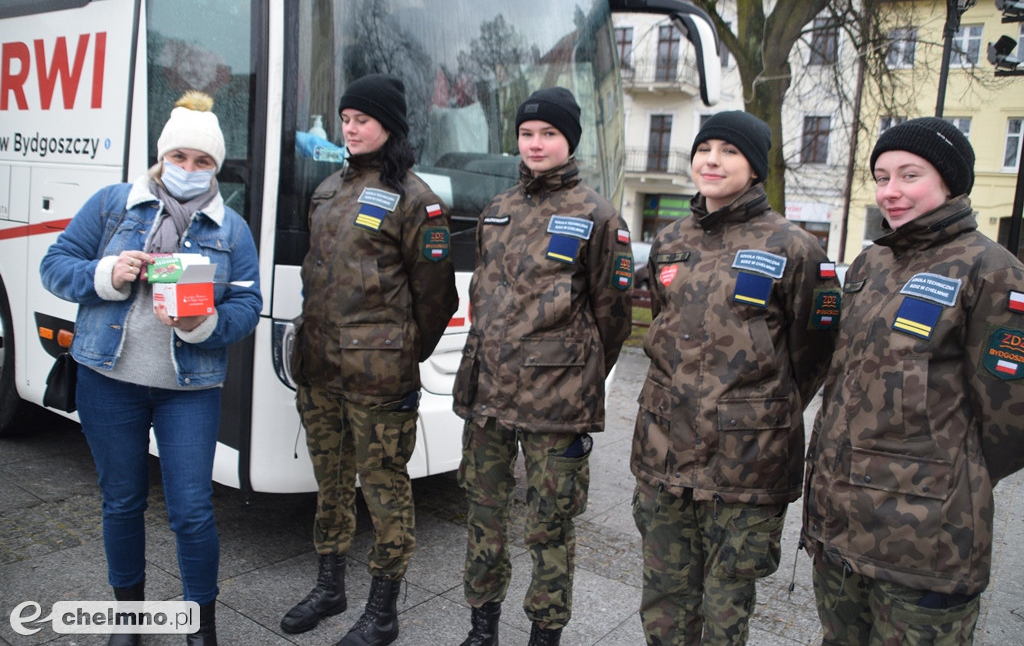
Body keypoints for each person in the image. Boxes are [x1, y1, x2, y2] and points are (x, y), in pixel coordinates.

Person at [39, 91, 263, 646]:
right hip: (107, 380)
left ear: (217, 166)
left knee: (191, 510)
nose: (189, 170)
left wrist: (203, 324)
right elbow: (55, 266)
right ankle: (129, 622)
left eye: (203, 161)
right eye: (180, 158)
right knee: (122, 502)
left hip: (188, 389)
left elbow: (248, 304)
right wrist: (109, 272)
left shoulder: (230, 228)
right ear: (163, 157)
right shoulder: (115, 204)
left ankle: (200, 624)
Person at [802, 117, 1024, 644]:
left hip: (926, 543)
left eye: (909, 175)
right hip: (841, 528)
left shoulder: (992, 272)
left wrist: (947, 478)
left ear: (949, 180)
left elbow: (1010, 421)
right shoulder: (870, 262)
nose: (891, 192)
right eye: (881, 177)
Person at [631, 110, 840, 645]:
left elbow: (812, 353)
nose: (712, 161)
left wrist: (756, 411)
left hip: (745, 467)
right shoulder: (672, 238)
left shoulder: (795, 248)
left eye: (729, 151)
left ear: (754, 168)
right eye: (705, 149)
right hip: (667, 453)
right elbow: (663, 324)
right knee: (663, 601)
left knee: (726, 611)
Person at [452, 87, 633, 646]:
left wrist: (567, 370)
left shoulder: (599, 216)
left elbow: (614, 318)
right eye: (527, 134)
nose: (535, 143)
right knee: (483, 516)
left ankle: (544, 633)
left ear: (568, 141)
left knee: (548, 526)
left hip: (555, 404)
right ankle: (482, 629)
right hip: (488, 395)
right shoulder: (498, 209)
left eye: (548, 134)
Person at [283, 73, 458, 646]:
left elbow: (437, 300)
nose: (351, 128)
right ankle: (330, 587)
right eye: (346, 119)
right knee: (330, 483)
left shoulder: (417, 200)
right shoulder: (329, 189)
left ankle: (383, 612)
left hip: (378, 381)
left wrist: (399, 358)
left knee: (384, 490)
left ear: (390, 126)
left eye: (363, 119)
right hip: (319, 371)